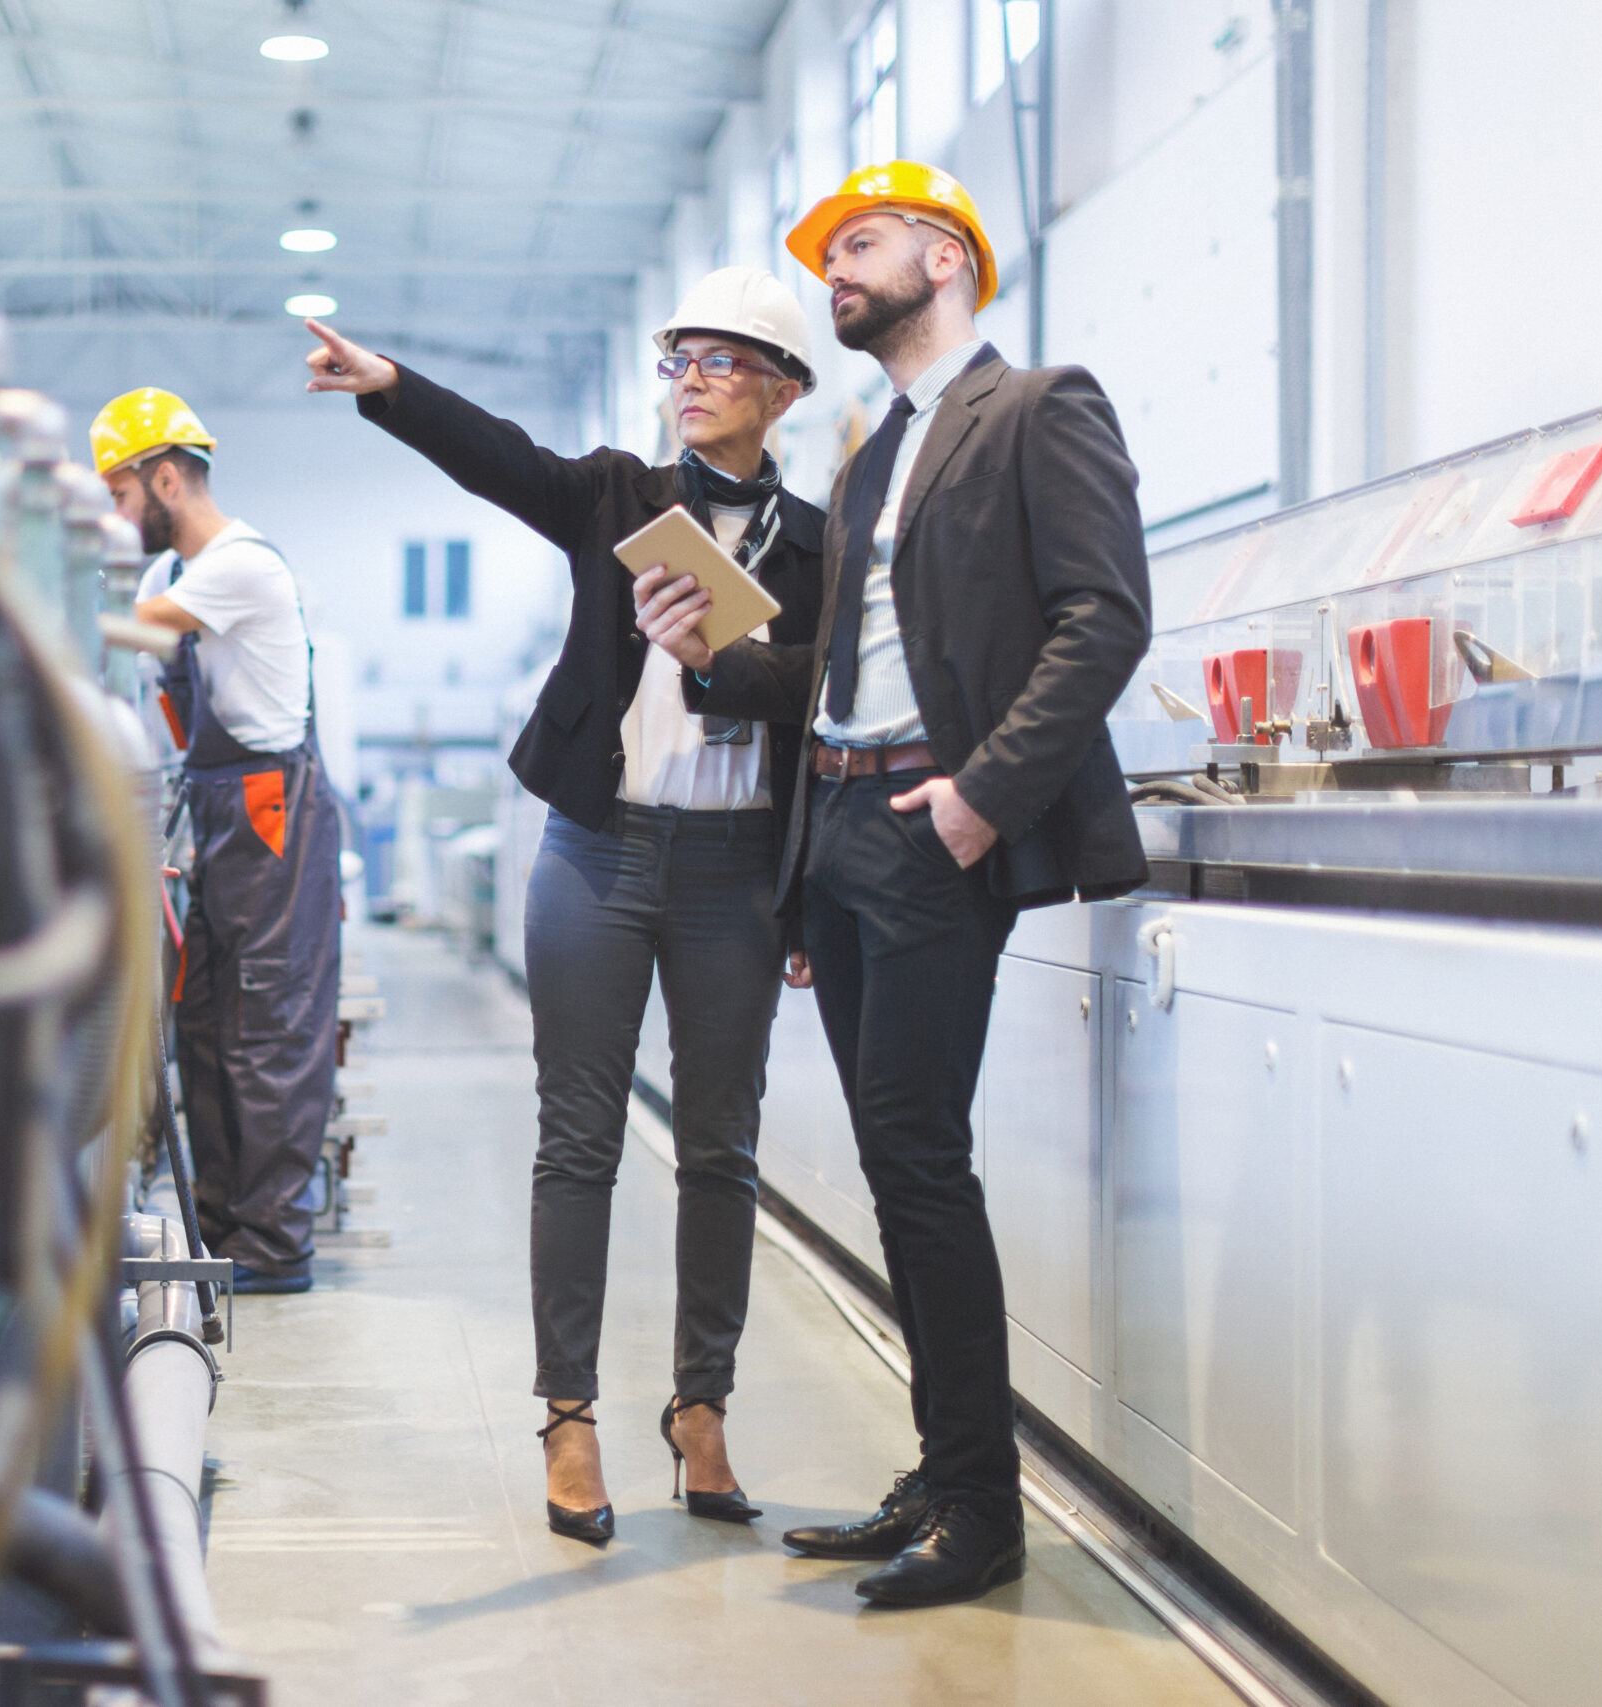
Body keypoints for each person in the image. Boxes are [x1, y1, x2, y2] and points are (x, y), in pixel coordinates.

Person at [633, 162, 1152, 1607]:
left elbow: (1106, 617)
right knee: (896, 1164)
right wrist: (704, 654)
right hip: (846, 831)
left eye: (858, 247)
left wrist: (985, 796)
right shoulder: (870, 453)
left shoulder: (1040, 406)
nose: (835, 273)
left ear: (946, 254)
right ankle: (943, 1473)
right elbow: (831, 680)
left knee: (921, 1160)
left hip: (938, 825)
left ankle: (985, 1512)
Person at [304, 268, 825, 1546]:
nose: (690, 378)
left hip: (734, 873)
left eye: (719, 360)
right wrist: (392, 390)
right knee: (576, 1139)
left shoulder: (822, 546)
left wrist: (733, 682)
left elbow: (826, 702)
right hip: (596, 854)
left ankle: (700, 1409)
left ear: (782, 388)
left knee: (721, 1149)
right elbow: (500, 460)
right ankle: (570, 1416)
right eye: (678, 359)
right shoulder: (618, 498)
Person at [92, 388, 342, 1297]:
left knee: (267, 1023)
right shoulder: (171, 579)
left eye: (121, 498)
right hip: (218, 804)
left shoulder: (238, 565)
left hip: (274, 807)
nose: (120, 522)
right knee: (207, 1020)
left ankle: (274, 1241)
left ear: (166, 476)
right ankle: (227, 1221)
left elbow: (126, 633)